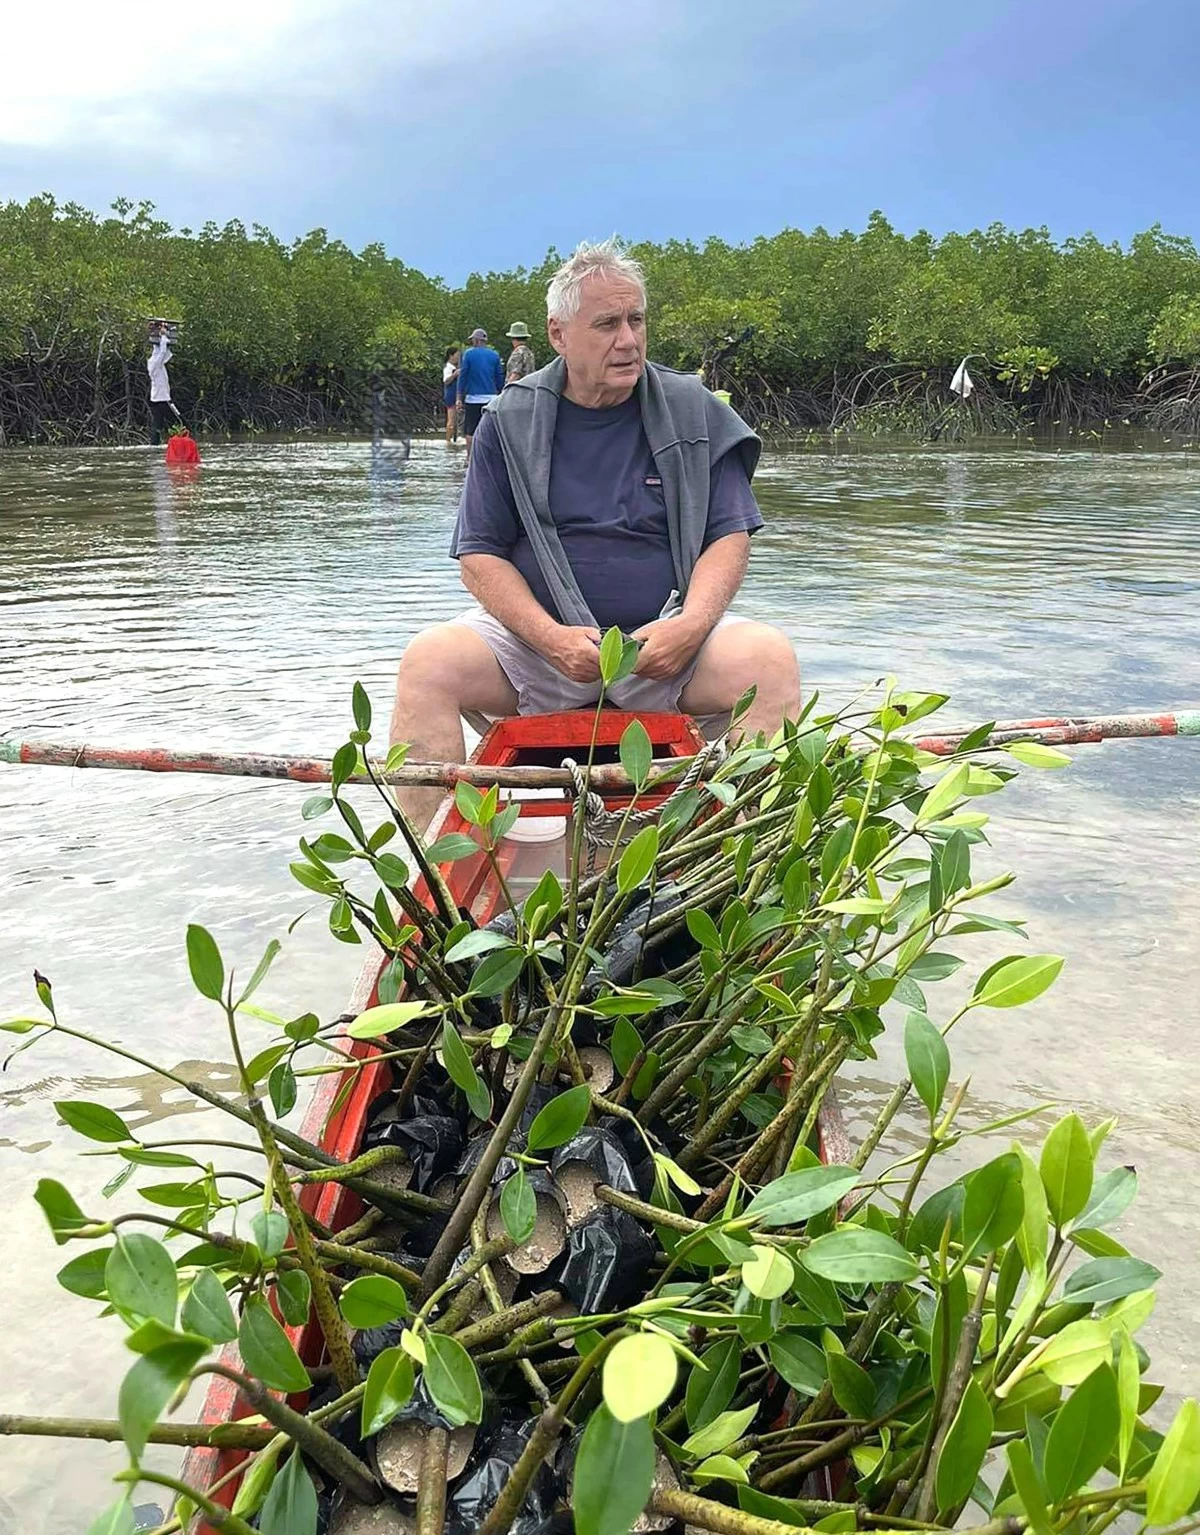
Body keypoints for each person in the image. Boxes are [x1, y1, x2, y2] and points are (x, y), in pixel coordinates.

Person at [389, 239, 800, 828]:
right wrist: (549, 636)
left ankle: (743, 867)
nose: (628, 340)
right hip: (538, 652)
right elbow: (479, 556)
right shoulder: (508, 420)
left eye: (636, 320)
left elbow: (728, 536)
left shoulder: (694, 409)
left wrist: (691, 625)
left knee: (768, 658)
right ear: (558, 335)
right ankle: (438, 878)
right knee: (428, 663)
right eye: (607, 324)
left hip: (668, 648)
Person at [456, 327, 505, 460]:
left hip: (472, 399)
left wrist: (459, 397)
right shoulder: (495, 355)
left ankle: (470, 459)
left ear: (476, 341)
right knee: (491, 430)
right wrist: (501, 393)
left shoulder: (468, 354)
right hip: (492, 399)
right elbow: (499, 377)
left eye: (472, 340)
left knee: (470, 431)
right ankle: (490, 459)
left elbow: (463, 376)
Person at [146, 321, 183, 444]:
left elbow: (163, 353)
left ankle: (154, 445)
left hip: (157, 399)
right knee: (179, 421)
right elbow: (161, 353)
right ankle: (181, 443)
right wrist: (162, 336)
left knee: (157, 424)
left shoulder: (157, 363)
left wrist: (161, 331)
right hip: (162, 399)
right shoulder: (154, 364)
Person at [442, 345, 461, 444]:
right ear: (451, 356)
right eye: (457, 355)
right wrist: (455, 375)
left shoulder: (455, 367)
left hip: (456, 395)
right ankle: (448, 441)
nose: (458, 357)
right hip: (450, 395)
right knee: (451, 421)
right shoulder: (448, 367)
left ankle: (454, 440)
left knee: (456, 422)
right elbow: (446, 381)